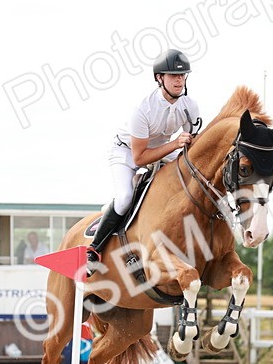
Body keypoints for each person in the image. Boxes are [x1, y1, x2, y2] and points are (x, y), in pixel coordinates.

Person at [86, 48, 200, 274]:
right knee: (125, 198)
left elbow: (191, 143)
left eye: (182, 75)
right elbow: (140, 157)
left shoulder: (190, 106)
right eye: (173, 75)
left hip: (164, 149)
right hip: (127, 152)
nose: (179, 80)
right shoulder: (143, 109)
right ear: (160, 78)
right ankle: (94, 250)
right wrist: (175, 145)